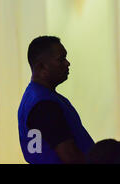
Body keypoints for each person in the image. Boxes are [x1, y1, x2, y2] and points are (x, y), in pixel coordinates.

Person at [18, 36, 94, 164]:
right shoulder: (44, 104)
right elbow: (70, 156)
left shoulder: (35, 97)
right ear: (41, 67)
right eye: (61, 59)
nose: (67, 63)